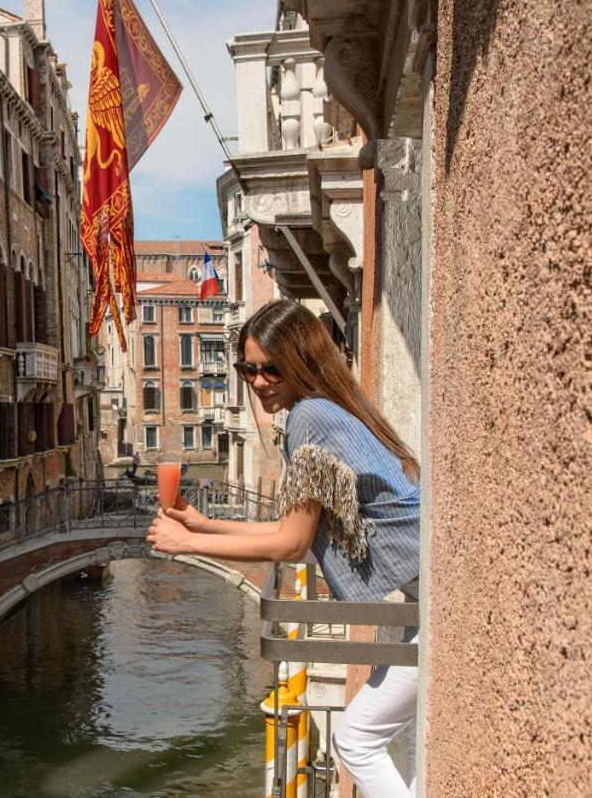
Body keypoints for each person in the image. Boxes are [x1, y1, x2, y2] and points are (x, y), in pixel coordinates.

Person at [147, 300, 420, 797]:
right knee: (376, 739)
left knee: (357, 739)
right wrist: (206, 524)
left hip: (442, 598)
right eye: (247, 368)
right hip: (431, 592)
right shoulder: (326, 408)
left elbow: (291, 545)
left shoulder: (311, 418)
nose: (257, 381)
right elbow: (294, 533)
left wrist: (188, 543)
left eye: (271, 367)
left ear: (301, 361)